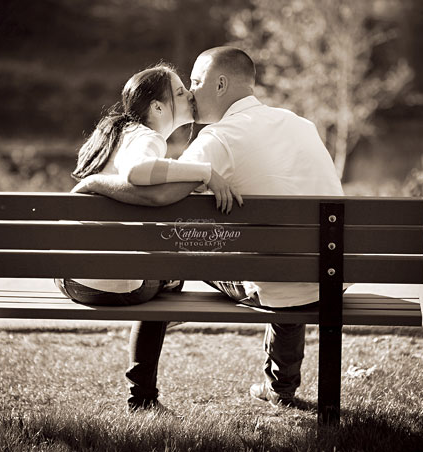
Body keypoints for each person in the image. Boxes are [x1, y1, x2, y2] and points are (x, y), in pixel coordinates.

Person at [75, 47, 345, 411]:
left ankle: (142, 390)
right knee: (284, 263)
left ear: (220, 84)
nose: (190, 91)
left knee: (169, 258)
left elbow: (158, 197)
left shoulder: (219, 138)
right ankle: (280, 388)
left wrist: (96, 184)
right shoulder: (300, 124)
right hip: (330, 276)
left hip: (277, 282)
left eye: (196, 82)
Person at [57, 63, 241, 308]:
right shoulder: (148, 137)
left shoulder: (120, 133)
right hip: (108, 285)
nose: (189, 94)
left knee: (165, 267)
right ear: (157, 107)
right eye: (179, 93)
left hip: (68, 276)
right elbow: (137, 170)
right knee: (173, 275)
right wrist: (205, 172)